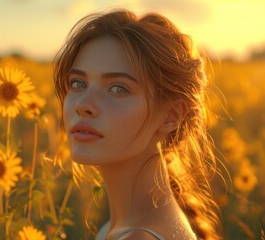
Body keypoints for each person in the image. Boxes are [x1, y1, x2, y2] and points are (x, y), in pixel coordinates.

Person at [53, 9, 221, 240]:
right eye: (78, 83)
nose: (83, 104)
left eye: (118, 88)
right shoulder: (120, 229)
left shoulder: (138, 236)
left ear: (171, 116)